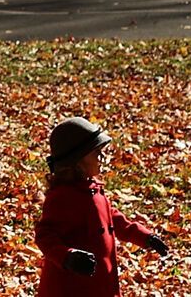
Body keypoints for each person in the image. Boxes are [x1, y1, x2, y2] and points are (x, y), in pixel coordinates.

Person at [34, 117, 170, 297]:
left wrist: (144, 236)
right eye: (96, 152)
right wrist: (67, 257)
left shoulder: (92, 188)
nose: (102, 157)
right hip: (71, 286)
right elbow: (45, 235)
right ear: (78, 161)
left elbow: (111, 218)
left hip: (100, 282)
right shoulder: (62, 197)